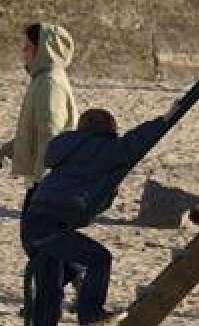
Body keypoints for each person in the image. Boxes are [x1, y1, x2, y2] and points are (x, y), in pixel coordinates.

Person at [20, 108, 168, 326]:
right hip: (52, 226)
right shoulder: (100, 149)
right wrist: (162, 121)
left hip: (32, 224)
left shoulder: (66, 149)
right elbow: (133, 143)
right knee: (98, 260)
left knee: (49, 291)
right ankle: (91, 315)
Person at [0, 22, 80, 187]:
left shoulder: (50, 83)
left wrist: (42, 182)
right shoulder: (42, 80)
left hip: (51, 181)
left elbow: (50, 135)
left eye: (27, 47)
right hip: (47, 178)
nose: (23, 52)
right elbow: (31, 134)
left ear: (42, 50)